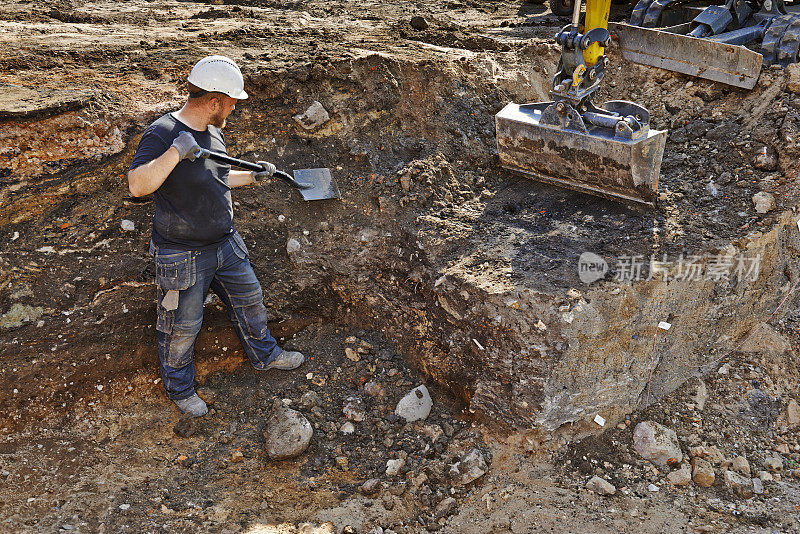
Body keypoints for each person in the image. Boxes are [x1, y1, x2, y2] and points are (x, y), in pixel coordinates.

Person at [127, 55, 304, 417]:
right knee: (182, 327)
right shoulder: (162, 133)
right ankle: (180, 390)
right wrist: (176, 152)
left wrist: (254, 176)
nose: (234, 107)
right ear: (213, 100)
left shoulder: (213, 133)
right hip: (182, 255)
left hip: (225, 244)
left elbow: (218, 178)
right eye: (231, 101)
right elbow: (137, 185)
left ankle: (265, 357)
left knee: (251, 302)